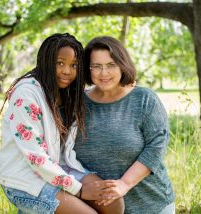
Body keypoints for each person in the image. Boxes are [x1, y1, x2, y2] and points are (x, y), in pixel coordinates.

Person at [0, 33, 124, 214]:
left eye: (74, 65)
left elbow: (99, 89)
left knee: (112, 200)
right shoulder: (26, 94)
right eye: (60, 63)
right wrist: (78, 190)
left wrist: (124, 85)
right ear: (46, 61)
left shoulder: (67, 92)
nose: (67, 71)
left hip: (58, 167)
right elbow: (35, 157)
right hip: (24, 179)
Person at [74, 36, 175, 214]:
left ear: (122, 64)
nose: (103, 73)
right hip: (97, 209)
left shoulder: (144, 98)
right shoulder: (77, 104)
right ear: (88, 70)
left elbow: (156, 146)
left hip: (151, 205)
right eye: (96, 66)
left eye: (111, 65)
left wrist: (124, 184)